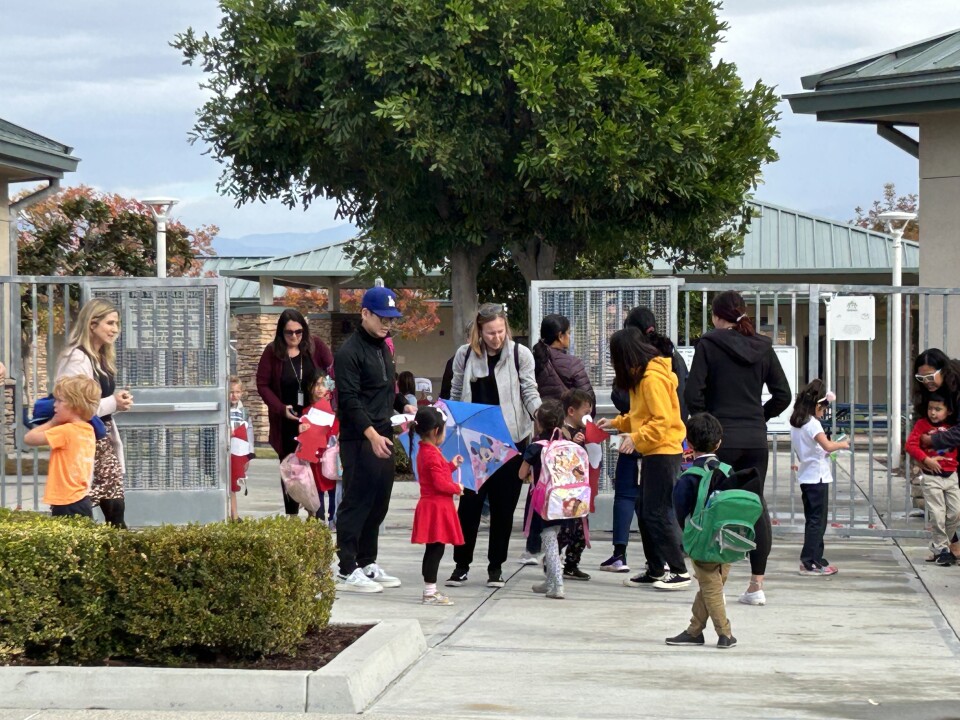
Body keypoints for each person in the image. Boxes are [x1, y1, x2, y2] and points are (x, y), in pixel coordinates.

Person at [685, 290, 790, 606]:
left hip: (721, 439)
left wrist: (708, 426)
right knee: (754, 504)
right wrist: (759, 415)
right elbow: (783, 395)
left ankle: (714, 582)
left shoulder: (709, 344)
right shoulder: (763, 346)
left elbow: (693, 394)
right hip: (755, 438)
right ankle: (756, 585)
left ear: (717, 316)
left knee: (713, 504)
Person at [446, 302, 542, 589]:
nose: (496, 338)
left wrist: (541, 416)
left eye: (500, 332)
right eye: (489, 333)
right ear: (479, 331)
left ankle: (495, 567)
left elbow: (529, 390)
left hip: (510, 440)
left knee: (503, 508)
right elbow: (454, 390)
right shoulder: (464, 355)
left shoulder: (519, 354)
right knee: (470, 505)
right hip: (474, 441)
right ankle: (461, 565)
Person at [334, 287, 417, 593]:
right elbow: (351, 402)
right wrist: (370, 434)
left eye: (391, 319)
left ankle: (367, 561)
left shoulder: (383, 347)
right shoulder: (349, 353)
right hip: (359, 438)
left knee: (379, 500)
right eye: (382, 317)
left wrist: (403, 406)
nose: (387, 324)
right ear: (365, 313)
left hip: (383, 431)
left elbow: (385, 390)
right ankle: (345, 568)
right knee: (357, 500)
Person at [598, 327, 689, 590]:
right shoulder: (642, 378)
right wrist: (615, 423)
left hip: (664, 451)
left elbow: (663, 421)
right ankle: (656, 569)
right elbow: (640, 417)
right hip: (653, 451)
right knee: (644, 510)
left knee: (657, 512)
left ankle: (679, 570)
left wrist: (635, 439)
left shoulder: (651, 379)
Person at [520, 313, 595, 566]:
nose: (569, 338)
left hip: (542, 432)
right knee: (566, 486)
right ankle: (560, 544)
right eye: (568, 333)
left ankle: (532, 546)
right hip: (568, 437)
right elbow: (588, 399)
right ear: (561, 336)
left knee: (538, 485)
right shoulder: (572, 364)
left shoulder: (533, 360)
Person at [665, 413, 741, 649]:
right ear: (719, 443)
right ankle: (694, 630)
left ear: (689, 443)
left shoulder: (688, 476)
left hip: (701, 539)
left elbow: (679, 510)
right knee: (712, 585)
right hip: (727, 539)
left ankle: (724, 633)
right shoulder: (728, 471)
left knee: (710, 586)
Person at [56, 298, 133, 528]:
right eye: (110, 323)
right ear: (92, 324)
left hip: (101, 437)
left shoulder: (101, 358)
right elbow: (76, 405)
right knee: (82, 503)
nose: (115, 329)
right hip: (83, 438)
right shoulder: (77, 358)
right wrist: (113, 403)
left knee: (114, 503)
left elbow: (98, 404)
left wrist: (116, 404)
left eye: (116, 323)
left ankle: (115, 552)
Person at [256, 308, 333, 517]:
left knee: (314, 469)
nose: (294, 337)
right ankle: (291, 517)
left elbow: (332, 370)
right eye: (289, 332)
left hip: (314, 419)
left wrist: (328, 395)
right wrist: (280, 408)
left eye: (298, 332)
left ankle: (314, 516)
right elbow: (262, 384)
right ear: (281, 332)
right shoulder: (272, 353)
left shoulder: (315, 346)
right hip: (287, 421)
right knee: (291, 471)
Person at [789, 380, 847, 576]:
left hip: (807, 476)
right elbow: (828, 446)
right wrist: (842, 444)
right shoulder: (812, 424)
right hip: (817, 478)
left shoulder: (797, 423)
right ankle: (809, 562)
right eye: (823, 408)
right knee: (817, 522)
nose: (823, 412)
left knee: (814, 520)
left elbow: (811, 450)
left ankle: (816, 559)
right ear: (816, 405)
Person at [408, 406, 465, 606]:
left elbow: (438, 474)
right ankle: (429, 591)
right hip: (436, 506)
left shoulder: (427, 450)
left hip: (432, 505)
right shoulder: (431, 453)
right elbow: (440, 484)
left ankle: (430, 590)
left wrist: (451, 465)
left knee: (433, 548)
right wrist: (456, 487)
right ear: (435, 431)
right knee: (436, 549)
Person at [24, 375, 101, 518]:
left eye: (60, 400)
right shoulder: (88, 429)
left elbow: (29, 438)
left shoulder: (65, 431)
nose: (54, 405)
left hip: (66, 502)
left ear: (76, 405)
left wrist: (52, 422)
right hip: (81, 499)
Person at [518, 399, 571, 599]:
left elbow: (521, 474)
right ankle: (549, 581)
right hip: (565, 501)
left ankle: (558, 585)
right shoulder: (565, 444)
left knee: (549, 543)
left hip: (545, 502)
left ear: (538, 423)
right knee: (554, 541)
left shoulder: (536, 446)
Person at [906, 392, 960, 566]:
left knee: (955, 512)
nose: (933, 413)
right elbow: (910, 445)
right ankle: (942, 549)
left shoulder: (953, 427)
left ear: (949, 411)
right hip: (931, 477)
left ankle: (939, 545)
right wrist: (925, 459)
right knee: (937, 514)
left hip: (951, 475)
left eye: (938, 409)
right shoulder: (922, 425)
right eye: (930, 408)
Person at [557, 388, 594, 581]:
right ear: (571, 411)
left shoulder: (581, 432)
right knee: (564, 529)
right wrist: (571, 442)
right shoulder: (560, 431)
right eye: (585, 413)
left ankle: (572, 564)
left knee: (580, 530)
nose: (588, 417)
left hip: (579, 489)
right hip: (564, 490)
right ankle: (553, 560)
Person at [299, 369, 340, 525]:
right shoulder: (307, 411)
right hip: (315, 457)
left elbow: (336, 430)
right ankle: (319, 516)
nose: (319, 388)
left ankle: (333, 517)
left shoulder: (335, 411)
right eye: (316, 384)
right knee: (317, 488)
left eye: (323, 384)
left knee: (333, 487)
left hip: (331, 455)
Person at [228, 377, 255, 522]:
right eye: (231, 392)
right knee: (226, 484)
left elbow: (248, 433)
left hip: (239, 451)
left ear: (242, 393)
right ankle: (232, 514)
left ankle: (234, 515)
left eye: (237, 392)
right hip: (224, 451)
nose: (234, 395)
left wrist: (249, 454)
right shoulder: (223, 410)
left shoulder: (244, 412)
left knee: (233, 484)